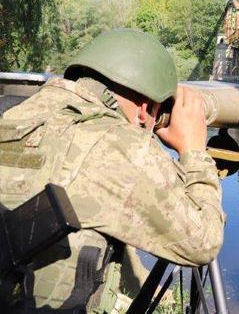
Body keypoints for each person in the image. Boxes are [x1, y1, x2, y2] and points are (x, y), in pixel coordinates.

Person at [0, 28, 225, 312]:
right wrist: (194, 150)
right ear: (145, 109)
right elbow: (203, 242)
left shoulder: (15, 111)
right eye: (158, 114)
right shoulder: (121, 146)